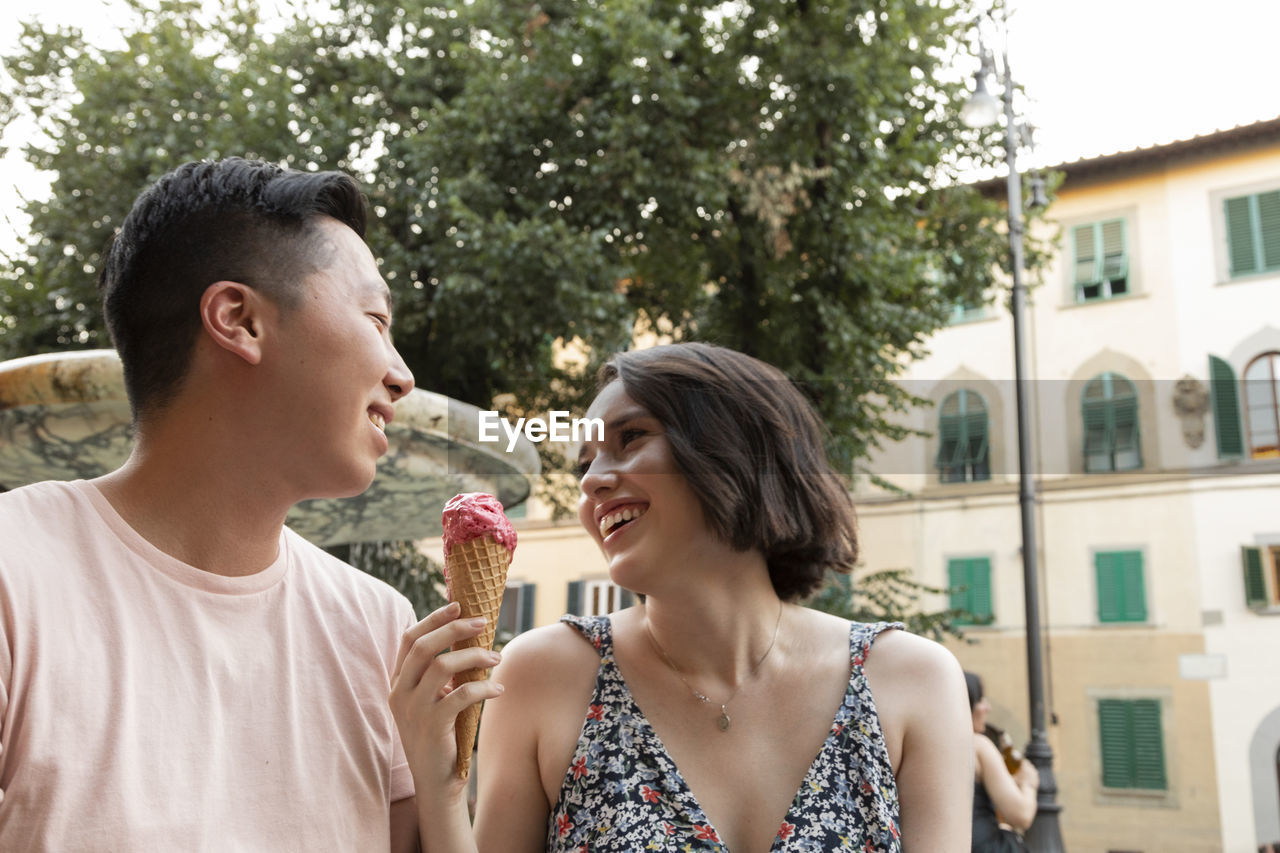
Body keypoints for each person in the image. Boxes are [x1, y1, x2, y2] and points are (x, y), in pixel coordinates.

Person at [0, 158, 449, 850]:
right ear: (239, 319)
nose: (402, 374)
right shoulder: (15, 577)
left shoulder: (378, 628)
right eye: (376, 318)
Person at [391, 342, 974, 851]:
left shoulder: (913, 679)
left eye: (632, 437)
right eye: (585, 465)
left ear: (738, 451)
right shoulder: (541, 674)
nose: (592, 481)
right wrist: (442, 791)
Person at [965, 671, 1039, 852]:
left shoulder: (928, 744)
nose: (987, 708)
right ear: (966, 704)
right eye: (981, 699)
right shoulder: (977, 745)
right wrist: (1029, 783)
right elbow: (1021, 815)